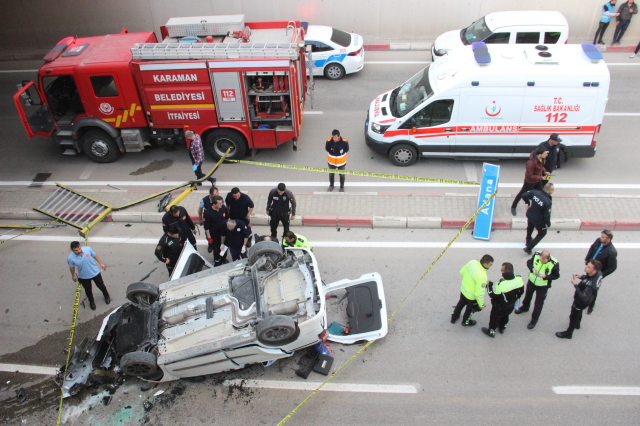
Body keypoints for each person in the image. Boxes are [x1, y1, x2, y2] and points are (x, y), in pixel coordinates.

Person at [555, 260, 603, 339]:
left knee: (573, 315)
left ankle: (569, 333)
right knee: (579, 312)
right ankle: (577, 324)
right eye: (587, 265)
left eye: (589, 267)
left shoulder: (590, 286)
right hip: (590, 298)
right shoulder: (598, 274)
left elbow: (583, 297)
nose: (586, 267)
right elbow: (589, 278)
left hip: (581, 302)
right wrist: (581, 277)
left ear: (594, 271)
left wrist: (575, 285)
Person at [515, 250, 560, 329]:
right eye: (540, 259)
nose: (541, 262)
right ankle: (525, 307)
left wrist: (546, 276)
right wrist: (532, 268)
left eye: (543, 261)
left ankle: (534, 320)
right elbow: (529, 263)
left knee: (538, 304)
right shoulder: (536, 255)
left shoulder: (554, 264)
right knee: (527, 296)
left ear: (548, 259)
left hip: (542, 286)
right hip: (532, 282)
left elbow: (556, 276)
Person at [481, 263, 524, 338]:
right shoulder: (519, 279)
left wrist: (489, 285)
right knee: (505, 316)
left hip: (500, 307)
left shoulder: (502, 285)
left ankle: (491, 331)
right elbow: (521, 292)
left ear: (505, 273)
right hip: (511, 305)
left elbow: (492, 295)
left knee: (494, 318)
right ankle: (502, 327)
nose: (501, 271)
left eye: (502, 270)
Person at [451, 254, 494, 326]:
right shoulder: (482, 276)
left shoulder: (472, 262)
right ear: (485, 264)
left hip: (463, 290)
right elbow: (479, 293)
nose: (491, 265)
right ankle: (465, 321)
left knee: (460, 304)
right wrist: (481, 304)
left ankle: (454, 317)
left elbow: (462, 272)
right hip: (471, 297)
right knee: (469, 309)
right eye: (490, 264)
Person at [67, 241, 110, 311]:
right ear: (72, 250)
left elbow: (95, 255)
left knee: (101, 286)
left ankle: (106, 295)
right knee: (88, 290)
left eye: (79, 249)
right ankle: (91, 301)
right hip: (84, 277)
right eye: (76, 250)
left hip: (95, 273)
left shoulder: (88, 249)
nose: (79, 251)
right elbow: (71, 267)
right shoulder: (70, 258)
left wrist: (101, 263)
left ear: (80, 246)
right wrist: (73, 275)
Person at [584, 229, 618, 314]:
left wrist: (601, 275)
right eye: (601, 236)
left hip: (597, 273)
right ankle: (583, 296)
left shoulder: (611, 252)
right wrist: (587, 258)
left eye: (603, 237)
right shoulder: (598, 241)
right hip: (590, 268)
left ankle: (591, 305)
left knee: (593, 289)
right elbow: (592, 248)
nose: (600, 238)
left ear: (608, 239)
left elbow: (612, 267)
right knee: (585, 282)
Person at [511, 146, 550, 216]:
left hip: (538, 180)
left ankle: (540, 207)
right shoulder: (531, 163)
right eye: (545, 154)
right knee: (521, 194)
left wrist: (545, 171)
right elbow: (530, 176)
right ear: (540, 154)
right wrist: (541, 178)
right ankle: (513, 206)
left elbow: (541, 167)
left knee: (541, 193)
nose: (547, 155)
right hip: (530, 182)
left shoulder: (541, 159)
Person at [522, 182, 554, 255]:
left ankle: (528, 239)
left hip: (530, 214)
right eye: (552, 190)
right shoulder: (547, 201)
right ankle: (529, 247)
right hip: (538, 220)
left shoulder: (535, 193)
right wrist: (548, 224)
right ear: (548, 191)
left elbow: (524, 195)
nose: (553, 192)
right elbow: (547, 214)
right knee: (542, 233)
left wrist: (528, 204)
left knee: (530, 227)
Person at [203, 195, 229, 266]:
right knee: (217, 249)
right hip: (215, 235)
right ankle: (217, 261)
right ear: (214, 204)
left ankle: (223, 258)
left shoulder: (223, 208)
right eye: (219, 203)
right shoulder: (207, 213)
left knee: (225, 247)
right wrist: (209, 237)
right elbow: (206, 227)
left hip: (224, 233)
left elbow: (227, 219)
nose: (221, 204)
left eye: (221, 202)